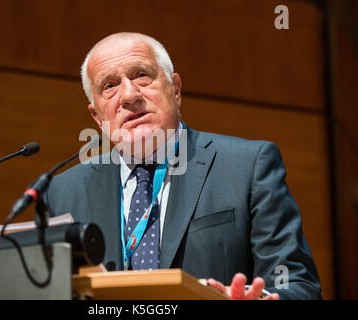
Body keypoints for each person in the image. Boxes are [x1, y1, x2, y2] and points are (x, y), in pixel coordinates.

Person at [45, 32, 321, 300]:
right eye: (109, 86)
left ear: (175, 89)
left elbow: (296, 282)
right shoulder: (62, 193)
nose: (129, 95)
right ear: (96, 115)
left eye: (141, 75)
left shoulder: (248, 166)